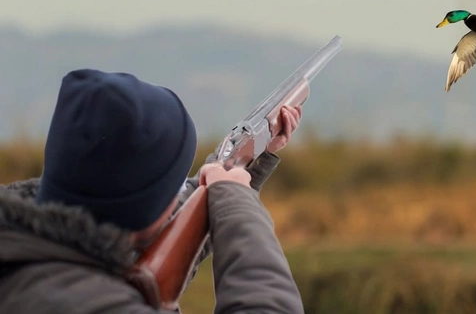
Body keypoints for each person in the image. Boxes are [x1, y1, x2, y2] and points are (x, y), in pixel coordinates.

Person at [0, 68, 305, 313]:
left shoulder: (30, 262)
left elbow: (166, 239)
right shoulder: (95, 303)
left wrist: (249, 161)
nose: (180, 197)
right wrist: (237, 203)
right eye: (174, 185)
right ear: (143, 209)